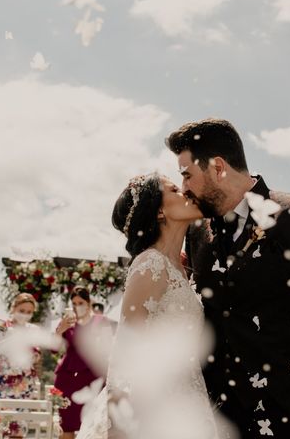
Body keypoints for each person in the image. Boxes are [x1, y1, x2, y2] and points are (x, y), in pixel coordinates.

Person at [166, 118, 290, 438]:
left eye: (187, 174)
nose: (184, 187)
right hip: (219, 420)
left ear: (218, 167)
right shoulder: (196, 233)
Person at [77, 173, 217, 439]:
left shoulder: (183, 268)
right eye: (174, 189)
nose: (185, 192)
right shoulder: (150, 264)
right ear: (160, 211)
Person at [54, 286, 107, 439]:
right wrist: (59, 331)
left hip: (92, 379)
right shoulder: (66, 322)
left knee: (92, 424)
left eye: (81, 302)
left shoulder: (100, 321)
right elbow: (55, 348)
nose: (77, 306)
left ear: (89, 303)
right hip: (67, 380)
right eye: (74, 303)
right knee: (66, 425)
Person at [0, 293, 41, 399]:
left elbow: (36, 356)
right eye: (21, 311)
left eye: (29, 312)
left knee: (22, 413)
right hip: (0, 378)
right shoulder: (1, 326)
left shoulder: (34, 330)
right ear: (13, 308)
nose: (24, 315)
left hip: (24, 380)